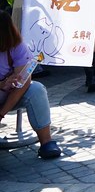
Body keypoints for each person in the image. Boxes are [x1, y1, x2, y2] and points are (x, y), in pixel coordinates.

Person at [0, 12, 62, 159]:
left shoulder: (16, 46)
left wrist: (1, 113)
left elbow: (24, 81)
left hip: (9, 96)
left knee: (36, 89)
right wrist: (2, 83)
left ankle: (47, 142)